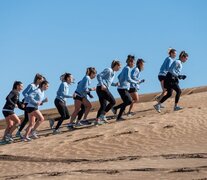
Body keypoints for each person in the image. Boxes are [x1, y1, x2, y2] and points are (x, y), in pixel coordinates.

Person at [16, 73, 44, 138]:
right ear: (38, 80)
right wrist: (28, 99)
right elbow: (24, 92)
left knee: (32, 118)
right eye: (41, 80)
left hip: (32, 104)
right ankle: (20, 132)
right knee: (27, 118)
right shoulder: (31, 85)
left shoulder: (38, 87)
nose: (42, 81)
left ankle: (27, 131)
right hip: (27, 103)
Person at [112, 55, 140, 121]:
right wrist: (136, 82)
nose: (134, 64)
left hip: (122, 88)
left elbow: (119, 76)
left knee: (127, 102)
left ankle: (116, 110)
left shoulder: (125, 68)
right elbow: (128, 79)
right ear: (130, 62)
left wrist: (121, 81)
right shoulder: (127, 68)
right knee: (129, 101)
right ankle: (118, 115)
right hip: (122, 88)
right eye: (133, 63)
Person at [96, 60, 121, 124]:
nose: (119, 68)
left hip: (101, 89)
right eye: (119, 66)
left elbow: (108, 81)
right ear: (115, 65)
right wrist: (102, 85)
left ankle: (97, 121)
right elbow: (99, 76)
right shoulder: (109, 70)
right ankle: (102, 116)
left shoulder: (113, 72)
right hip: (102, 88)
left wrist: (115, 84)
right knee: (113, 101)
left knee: (103, 106)